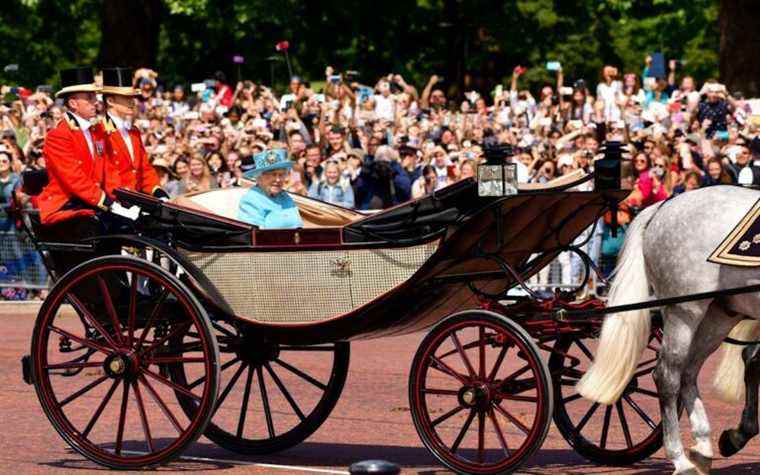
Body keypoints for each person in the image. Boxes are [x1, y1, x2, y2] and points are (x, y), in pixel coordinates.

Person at [35, 67, 128, 276]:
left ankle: (122, 283)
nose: (95, 101)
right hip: (68, 205)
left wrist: (122, 198)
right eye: (88, 98)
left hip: (91, 201)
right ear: (73, 104)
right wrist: (107, 202)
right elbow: (74, 180)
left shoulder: (97, 133)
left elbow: (109, 172)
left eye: (94, 96)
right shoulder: (58, 136)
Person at [101, 67, 167, 199]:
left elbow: (144, 169)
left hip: (136, 199)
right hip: (114, 202)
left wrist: (158, 191)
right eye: (126, 97)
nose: (132, 102)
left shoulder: (134, 132)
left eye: (132, 97)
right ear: (110, 101)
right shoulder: (100, 132)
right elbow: (105, 175)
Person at [238, 149, 303, 228]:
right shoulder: (251, 200)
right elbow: (256, 235)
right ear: (259, 177)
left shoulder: (285, 196)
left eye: (281, 175)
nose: (278, 180)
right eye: (273, 174)